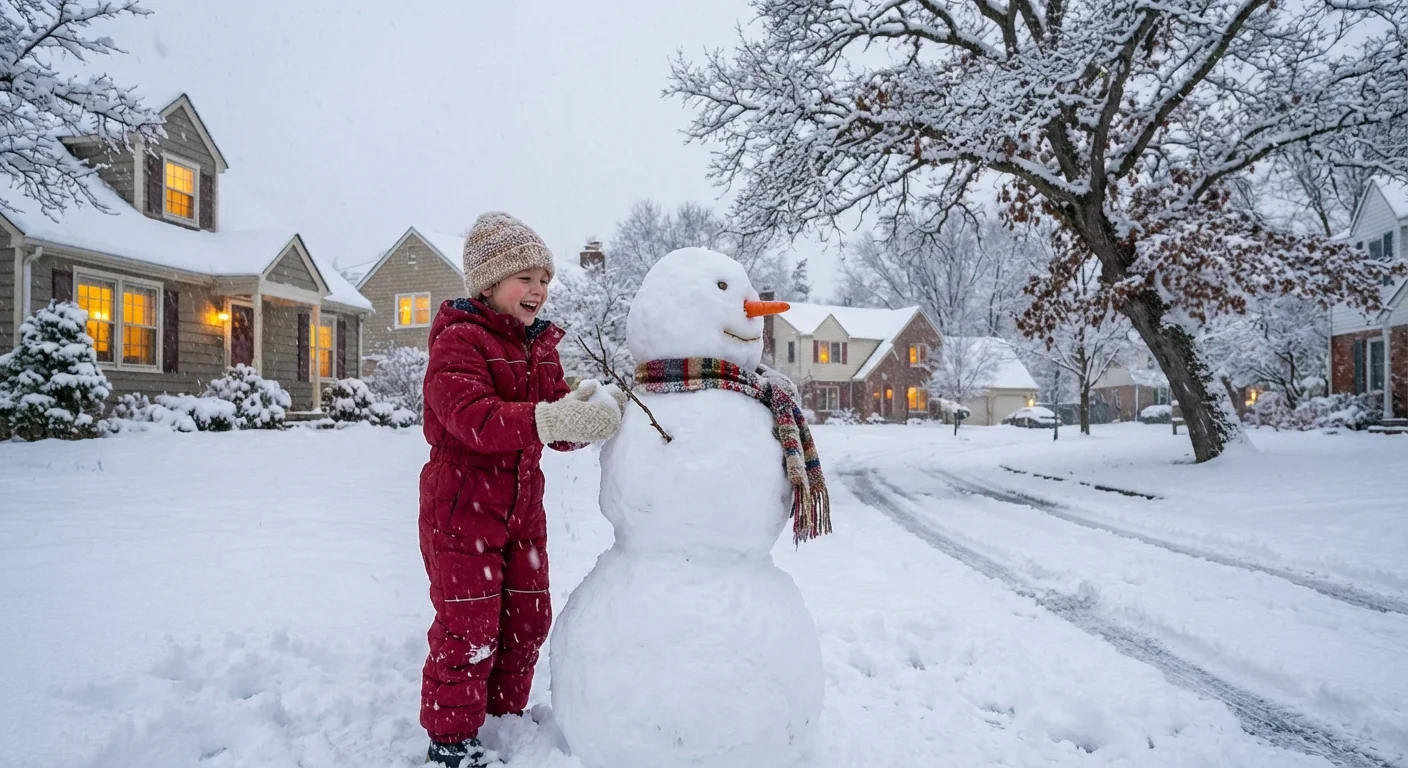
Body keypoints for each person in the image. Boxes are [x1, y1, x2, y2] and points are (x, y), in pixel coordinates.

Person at [418, 212, 622, 767]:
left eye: (545, 279)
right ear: (488, 283)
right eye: (525, 277)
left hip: (522, 511)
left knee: (528, 619)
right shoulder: (458, 342)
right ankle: (452, 741)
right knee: (469, 625)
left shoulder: (539, 345)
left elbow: (554, 418)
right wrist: (550, 420)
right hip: (461, 508)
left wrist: (589, 412)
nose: (538, 290)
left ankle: (503, 717)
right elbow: (471, 417)